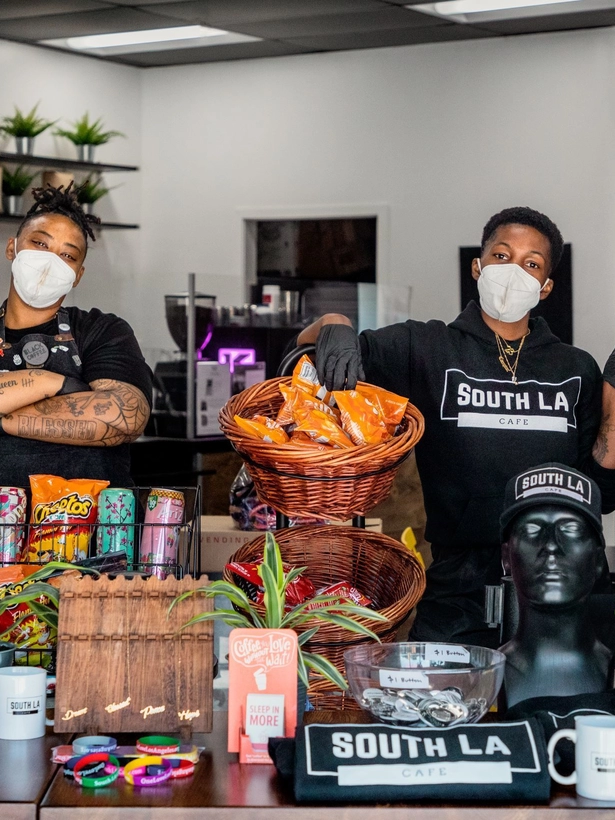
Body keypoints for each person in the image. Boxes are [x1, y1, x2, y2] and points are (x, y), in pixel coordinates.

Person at [295, 206, 615, 647]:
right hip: (458, 588)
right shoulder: (426, 348)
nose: (513, 271)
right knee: (443, 706)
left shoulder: (575, 368)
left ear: (545, 287)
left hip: (555, 591)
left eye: (531, 264)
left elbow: (603, 493)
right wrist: (334, 323)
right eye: (502, 256)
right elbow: (308, 348)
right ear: (478, 266)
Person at [0, 183, 152, 487]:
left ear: (77, 276)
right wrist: (64, 386)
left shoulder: (102, 331)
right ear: (12, 248)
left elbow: (123, 418)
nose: (50, 262)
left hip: (93, 528)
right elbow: (99, 412)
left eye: (67, 256)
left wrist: (15, 408)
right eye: (40, 245)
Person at [499, 463, 612, 708]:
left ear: (598, 560)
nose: (551, 545)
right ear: (506, 558)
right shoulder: (481, 680)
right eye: (532, 529)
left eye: (571, 529)